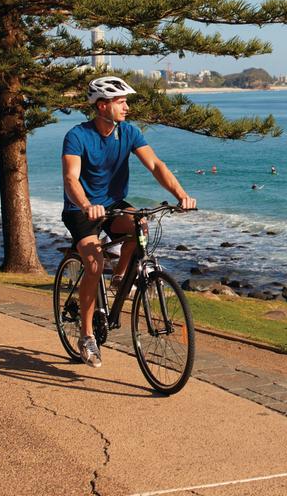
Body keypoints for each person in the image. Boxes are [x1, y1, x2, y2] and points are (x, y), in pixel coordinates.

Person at [61, 76, 196, 368]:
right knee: (94, 264)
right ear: (102, 105)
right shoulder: (77, 136)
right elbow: (71, 177)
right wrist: (86, 205)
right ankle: (86, 337)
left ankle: (120, 277)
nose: (127, 107)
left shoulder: (130, 133)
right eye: (121, 101)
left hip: (113, 205)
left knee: (141, 226)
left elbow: (156, 165)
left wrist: (181, 195)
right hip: (81, 210)